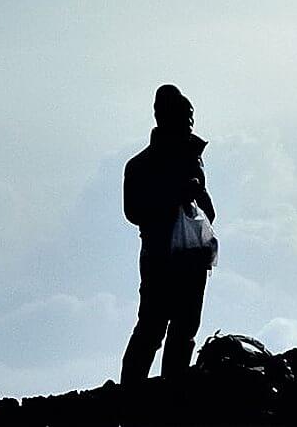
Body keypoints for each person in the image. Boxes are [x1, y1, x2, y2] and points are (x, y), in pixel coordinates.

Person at [120, 84, 217, 384]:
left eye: (191, 116)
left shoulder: (191, 161)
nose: (189, 122)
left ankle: (172, 388)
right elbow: (134, 211)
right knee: (152, 326)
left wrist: (196, 194)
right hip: (160, 256)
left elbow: (207, 211)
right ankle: (130, 394)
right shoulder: (140, 166)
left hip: (191, 256)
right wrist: (174, 196)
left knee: (185, 327)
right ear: (162, 117)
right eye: (183, 116)